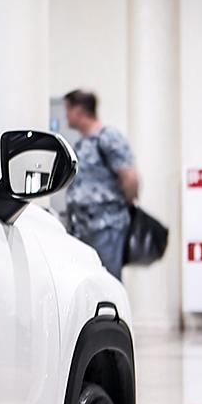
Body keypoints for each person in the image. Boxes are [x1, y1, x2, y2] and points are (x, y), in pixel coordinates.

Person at [61, 88, 140, 279]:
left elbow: (130, 178)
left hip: (106, 226)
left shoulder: (107, 137)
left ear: (79, 110)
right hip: (83, 229)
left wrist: (118, 207)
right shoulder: (82, 143)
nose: (66, 116)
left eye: (68, 110)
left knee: (107, 283)